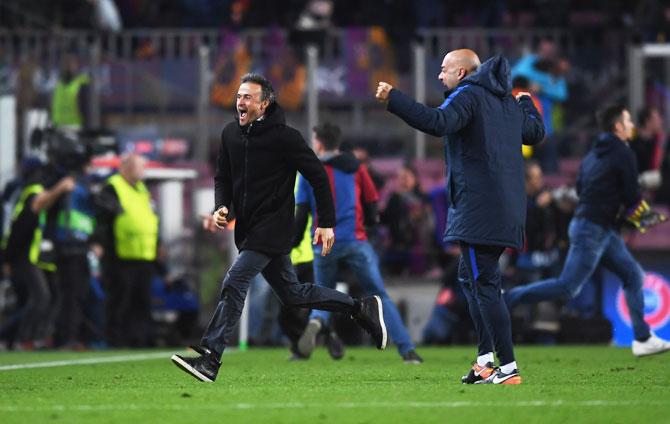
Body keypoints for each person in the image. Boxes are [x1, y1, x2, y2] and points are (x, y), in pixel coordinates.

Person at [171, 73, 387, 383]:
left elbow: (318, 176)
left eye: (248, 97)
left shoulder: (286, 137)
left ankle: (210, 357)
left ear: (264, 103)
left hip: (273, 229)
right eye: (238, 96)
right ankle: (359, 308)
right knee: (294, 295)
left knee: (235, 279)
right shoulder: (231, 134)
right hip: (249, 229)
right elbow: (223, 178)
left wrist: (325, 222)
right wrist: (222, 207)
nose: (240, 102)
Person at [376, 49, 545, 384]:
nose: (440, 76)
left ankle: (508, 368)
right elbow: (534, 134)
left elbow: (437, 122)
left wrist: (395, 99)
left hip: (479, 209)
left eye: (444, 70)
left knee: (484, 284)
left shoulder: (468, 96)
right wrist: (525, 101)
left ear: (464, 73)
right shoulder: (506, 101)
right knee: (471, 280)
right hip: (505, 208)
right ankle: (484, 360)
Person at [506, 104, 670, 357]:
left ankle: (642, 337)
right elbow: (631, 197)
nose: (632, 126)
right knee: (567, 287)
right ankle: (508, 298)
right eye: (628, 122)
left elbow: (582, 189)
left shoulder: (593, 154)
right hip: (593, 229)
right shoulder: (623, 153)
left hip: (594, 226)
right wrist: (646, 218)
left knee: (633, 275)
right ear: (617, 126)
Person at [295, 122, 423, 364]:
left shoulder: (308, 172)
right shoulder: (356, 168)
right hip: (355, 240)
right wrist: (369, 224)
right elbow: (373, 207)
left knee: (323, 292)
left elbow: (301, 215)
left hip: (323, 243)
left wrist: (292, 242)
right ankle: (408, 351)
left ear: (319, 143)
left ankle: (316, 321)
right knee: (379, 295)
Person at [94, 153, 158, 347]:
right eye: (140, 167)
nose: (143, 171)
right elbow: (102, 219)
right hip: (119, 255)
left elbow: (148, 218)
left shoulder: (141, 189)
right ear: (126, 168)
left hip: (143, 255)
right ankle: (115, 339)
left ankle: (137, 339)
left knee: (141, 302)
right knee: (119, 301)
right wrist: (99, 243)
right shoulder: (112, 187)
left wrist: (159, 244)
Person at [50, 54, 89, 131]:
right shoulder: (58, 83)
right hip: (59, 125)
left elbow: (85, 104)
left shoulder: (81, 81)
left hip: (73, 125)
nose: (68, 67)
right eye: (66, 64)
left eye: (70, 64)